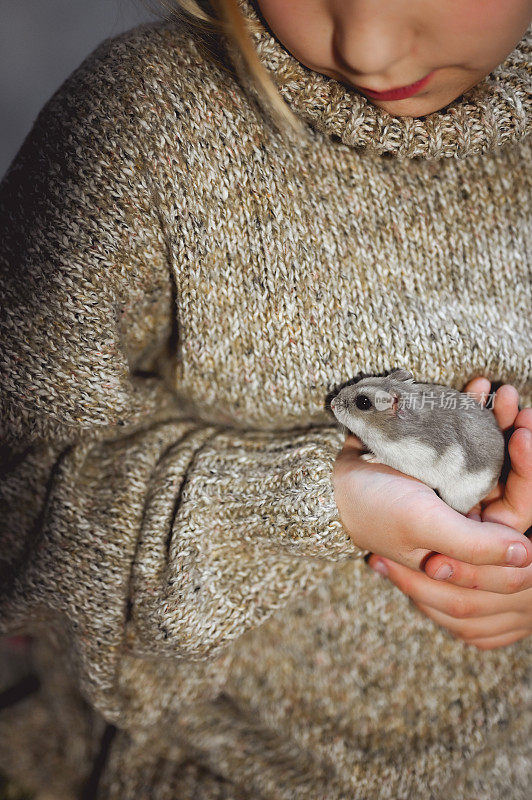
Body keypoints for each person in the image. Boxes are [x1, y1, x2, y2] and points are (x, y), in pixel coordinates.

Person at [0, 0, 531, 797]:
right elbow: (23, 498)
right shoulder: (142, 119)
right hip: (195, 757)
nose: (369, 47)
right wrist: (312, 501)